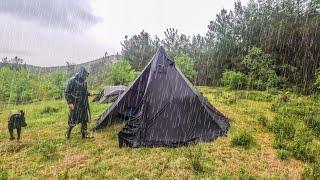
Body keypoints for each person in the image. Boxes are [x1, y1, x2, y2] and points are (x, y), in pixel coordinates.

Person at [65, 66, 93, 139]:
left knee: (84, 119)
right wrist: (70, 103)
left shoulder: (84, 82)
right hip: (75, 104)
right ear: (81, 74)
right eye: (84, 75)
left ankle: (84, 134)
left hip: (83, 103)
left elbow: (85, 92)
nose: (85, 76)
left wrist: (88, 93)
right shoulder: (72, 81)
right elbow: (67, 92)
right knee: (73, 120)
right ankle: (68, 132)